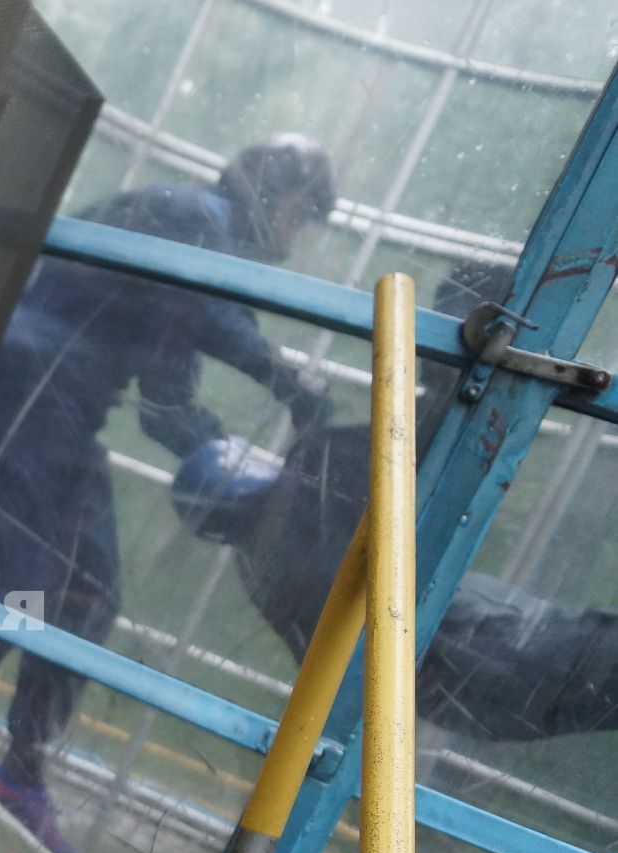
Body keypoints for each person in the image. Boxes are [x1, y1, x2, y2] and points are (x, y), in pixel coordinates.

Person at [0, 135, 340, 853]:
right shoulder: (193, 215)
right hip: (26, 389)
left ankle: (20, 771)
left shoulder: (197, 258)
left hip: (67, 415)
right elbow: (219, 325)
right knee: (26, 583)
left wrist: (248, 471)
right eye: (302, 214)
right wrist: (292, 384)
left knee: (90, 595)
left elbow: (167, 401)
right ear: (276, 196)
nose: (298, 234)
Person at [172, 261, 618, 742]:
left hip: (468, 688)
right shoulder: (316, 480)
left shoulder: (268, 566)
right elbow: (424, 428)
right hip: (490, 649)